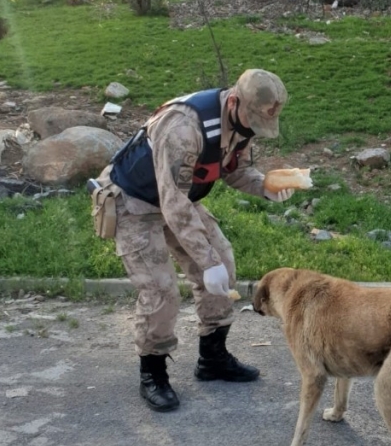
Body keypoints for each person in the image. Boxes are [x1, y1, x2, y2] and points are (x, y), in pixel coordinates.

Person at [95, 69, 293, 412]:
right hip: (134, 201)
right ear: (234, 102)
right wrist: (206, 262)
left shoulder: (243, 122)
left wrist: (265, 185)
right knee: (160, 290)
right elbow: (173, 204)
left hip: (178, 199)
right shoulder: (183, 128)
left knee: (224, 262)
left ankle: (212, 359)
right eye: (253, 122)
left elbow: (234, 169)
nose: (254, 132)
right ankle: (152, 373)